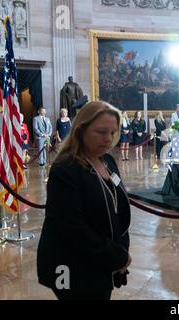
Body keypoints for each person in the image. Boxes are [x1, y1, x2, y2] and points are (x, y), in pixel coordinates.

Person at [37, 101, 131, 300]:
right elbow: (72, 228)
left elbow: (117, 208)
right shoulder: (66, 168)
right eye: (101, 132)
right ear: (81, 130)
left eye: (113, 133)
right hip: (73, 264)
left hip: (103, 259)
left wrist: (120, 251)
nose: (108, 139)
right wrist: (116, 256)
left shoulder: (108, 161)